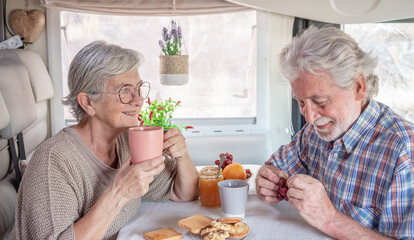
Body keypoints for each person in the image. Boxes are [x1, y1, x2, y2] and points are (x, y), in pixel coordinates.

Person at [10, 41, 199, 240]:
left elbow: (184, 193)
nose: (138, 100)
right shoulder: (53, 162)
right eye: (124, 90)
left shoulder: (127, 142)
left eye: (138, 88)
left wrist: (181, 155)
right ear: (88, 102)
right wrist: (119, 193)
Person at [256, 26, 414, 239]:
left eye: (319, 101)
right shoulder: (313, 133)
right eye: (301, 102)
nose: (309, 117)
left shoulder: (403, 152)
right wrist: (268, 181)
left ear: (358, 87)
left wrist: (329, 218)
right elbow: (274, 167)